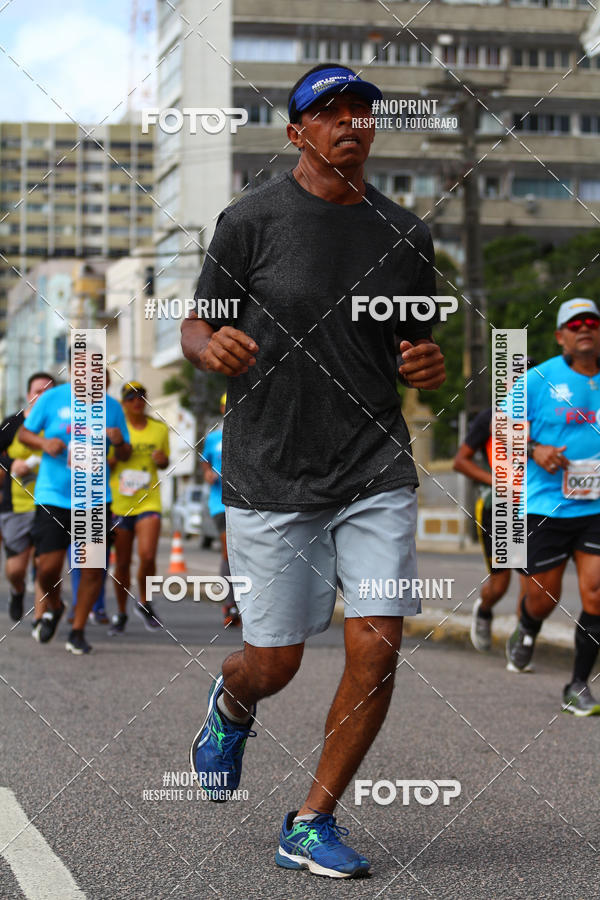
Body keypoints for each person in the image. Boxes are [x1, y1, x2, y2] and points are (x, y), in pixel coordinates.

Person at [181, 64, 446, 878]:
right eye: (329, 112)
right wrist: (208, 346)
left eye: (361, 110)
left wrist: (425, 362)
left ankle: (310, 820)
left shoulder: (406, 233)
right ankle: (232, 704)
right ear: (297, 132)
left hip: (373, 462)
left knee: (378, 642)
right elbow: (196, 323)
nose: (349, 122)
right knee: (276, 662)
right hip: (270, 466)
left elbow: (415, 343)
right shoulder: (250, 221)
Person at [505, 298, 600, 716]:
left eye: (592, 322)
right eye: (575, 324)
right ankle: (528, 626)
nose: (585, 328)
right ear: (561, 336)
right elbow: (503, 431)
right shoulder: (536, 380)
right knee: (544, 597)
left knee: (596, 595)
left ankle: (577, 684)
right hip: (547, 506)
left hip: (595, 509)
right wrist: (535, 449)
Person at [19, 353, 131, 654]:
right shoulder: (52, 398)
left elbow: (124, 455)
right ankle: (56, 606)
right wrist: (44, 443)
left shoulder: (112, 407)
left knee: (92, 569)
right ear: (71, 369)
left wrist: (119, 442)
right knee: (47, 567)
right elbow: (24, 433)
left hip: (95, 499)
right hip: (53, 496)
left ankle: (78, 631)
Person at [453, 360, 537, 651]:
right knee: (500, 585)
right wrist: (497, 481)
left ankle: (521, 646)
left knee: (531, 582)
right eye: (516, 379)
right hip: (499, 509)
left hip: (535, 507)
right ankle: (485, 610)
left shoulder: (543, 418)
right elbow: (460, 461)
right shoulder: (490, 418)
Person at [108, 381, 169, 635]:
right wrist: (114, 456)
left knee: (147, 555)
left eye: (141, 397)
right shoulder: (115, 428)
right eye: (131, 398)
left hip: (149, 499)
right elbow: (105, 462)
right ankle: (121, 611)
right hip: (120, 502)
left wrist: (162, 460)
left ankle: (144, 602)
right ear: (124, 403)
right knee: (122, 563)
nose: (137, 402)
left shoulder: (159, 429)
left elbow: (165, 461)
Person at [0, 372, 55, 624]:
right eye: (37, 391)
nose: (42, 396)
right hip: (16, 505)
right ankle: (17, 589)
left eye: (48, 391)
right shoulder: (12, 424)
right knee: (16, 569)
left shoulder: (60, 425)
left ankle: (40, 618)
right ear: (28, 395)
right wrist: (12, 463)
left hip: (50, 504)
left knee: (45, 565)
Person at [202, 392, 240, 627]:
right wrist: (208, 473)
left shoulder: (249, 434)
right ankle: (230, 603)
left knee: (246, 554)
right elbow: (205, 463)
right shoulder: (214, 437)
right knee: (228, 551)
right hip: (219, 502)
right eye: (227, 405)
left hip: (246, 503)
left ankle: (245, 603)